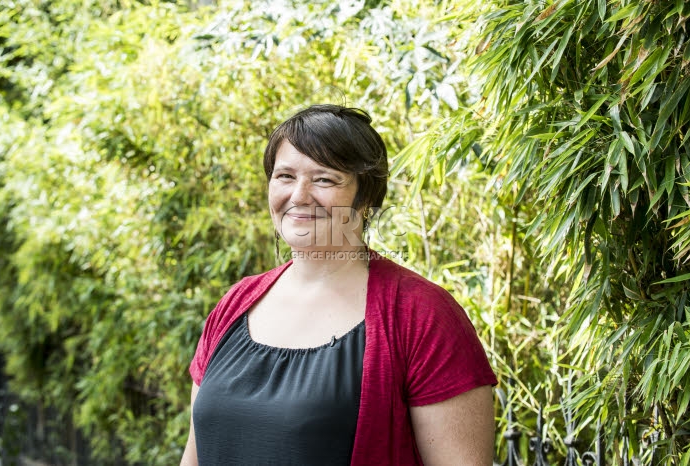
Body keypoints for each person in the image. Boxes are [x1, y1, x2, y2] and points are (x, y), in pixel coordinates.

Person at [180, 104, 497, 465]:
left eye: (324, 179)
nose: (299, 195)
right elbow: (194, 456)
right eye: (285, 176)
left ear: (366, 199)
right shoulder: (234, 305)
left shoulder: (421, 316)